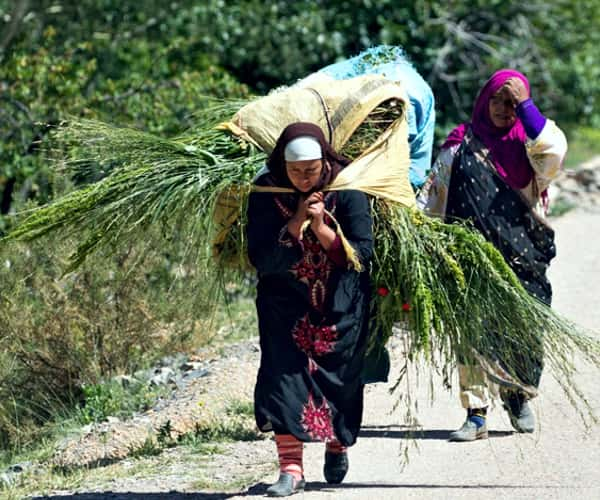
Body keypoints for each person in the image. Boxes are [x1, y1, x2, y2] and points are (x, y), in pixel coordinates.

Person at [417, 69, 567, 441]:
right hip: (470, 259)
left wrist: (527, 107)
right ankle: (476, 412)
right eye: (497, 100)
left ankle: (516, 396)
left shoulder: (529, 149)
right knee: (472, 333)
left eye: (512, 102)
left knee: (525, 330)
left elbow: (554, 151)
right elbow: (433, 195)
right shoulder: (460, 144)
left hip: (523, 257)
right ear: (484, 101)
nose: (504, 109)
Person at [246, 122, 373, 495]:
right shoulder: (266, 191)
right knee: (282, 378)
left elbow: (362, 253)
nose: (303, 178)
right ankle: (290, 469)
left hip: (340, 306)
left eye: (311, 170)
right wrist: (297, 220)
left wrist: (320, 227)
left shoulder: (348, 187)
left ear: (324, 162)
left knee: (341, 381)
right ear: (281, 166)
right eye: (295, 171)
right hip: (284, 306)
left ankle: (337, 444)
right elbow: (261, 257)